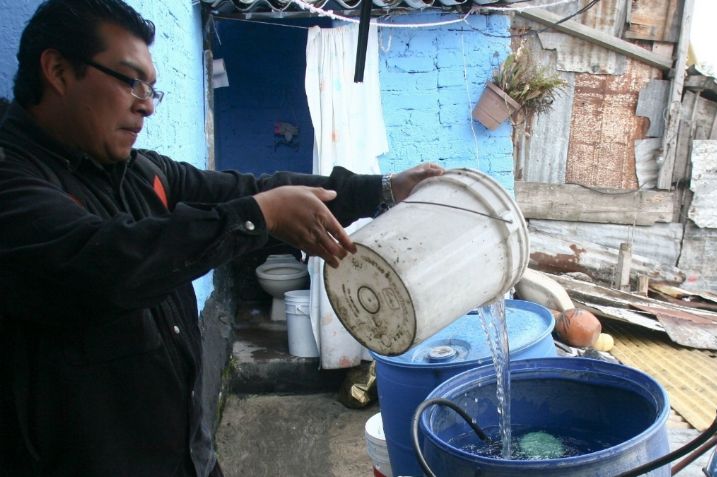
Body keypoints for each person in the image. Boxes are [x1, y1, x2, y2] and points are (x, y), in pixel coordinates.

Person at [0, 1, 443, 476]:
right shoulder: (15, 183)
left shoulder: (138, 172)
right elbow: (106, 263)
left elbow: (249, 189)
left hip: (186, 458)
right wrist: (258, 217)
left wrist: (382, 190)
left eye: (152, 88)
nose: (146, 104)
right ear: (59, 70)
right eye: (129, 80)